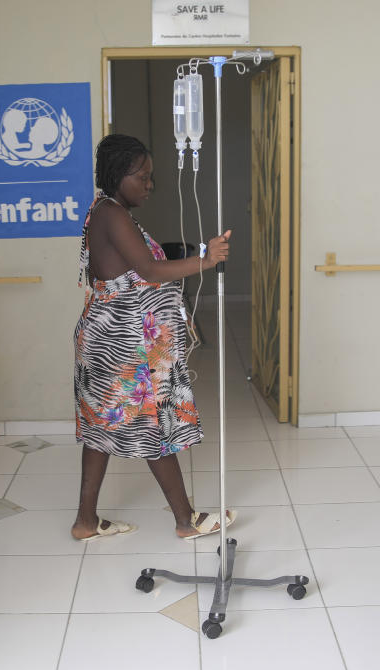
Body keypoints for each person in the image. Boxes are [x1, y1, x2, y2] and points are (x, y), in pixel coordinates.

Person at [73, 134, 235, 541]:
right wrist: (206, 260)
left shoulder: (107, 211)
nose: (149, 185)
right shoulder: (111, 214)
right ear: (117, 175)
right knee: (153, 427)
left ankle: (85, 521)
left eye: (150, 177)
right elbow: (147, 270)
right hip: (122, 346)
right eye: (142, 177)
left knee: (100, 428)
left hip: (109, 340)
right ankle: (186, 520)